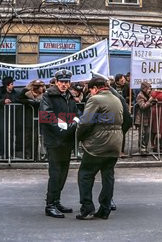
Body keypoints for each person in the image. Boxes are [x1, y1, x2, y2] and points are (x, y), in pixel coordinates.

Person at [76, 77, 123, 220]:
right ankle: (105, 208)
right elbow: (126, 118)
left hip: (98, 144)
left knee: (85, 175)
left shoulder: (95, 100)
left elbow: (85, 123)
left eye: (90, 91)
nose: (90, 94)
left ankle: (87, 208)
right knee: (108, 176)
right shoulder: (117, 99)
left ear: (95, 88)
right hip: (115, 144)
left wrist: (80, 137)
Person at [40, 69, 78, 218]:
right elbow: (47, 116)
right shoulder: (48, 96)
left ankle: (56, 201)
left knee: (63, 173)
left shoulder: (69, 96)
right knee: (55, 173)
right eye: (61, 81)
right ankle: (50, 205)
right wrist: (63, 128)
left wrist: (75, 121)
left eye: (67, 82)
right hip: (55, 140)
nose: (64, 84)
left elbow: (74, 113)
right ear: (56, 82)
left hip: (66, 140)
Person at [0, 77, 20, 158]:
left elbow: (18, 99)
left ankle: (10, 153)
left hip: (12, 115)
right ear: (7, 85)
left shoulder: (14, 92)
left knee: (11, 134)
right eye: (11, 84)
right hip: (1, 115)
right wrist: (3, 101)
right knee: (2, 134)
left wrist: (11, 100)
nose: (13, 86)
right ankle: (3, 153)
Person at [19, 80, 46, 160]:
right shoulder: (26, 92)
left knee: (37, 136)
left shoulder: (44, 94)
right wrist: (29, 101)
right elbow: (19, 99)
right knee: (28, 136)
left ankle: (36, 155)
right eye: (40, 87)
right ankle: (27, 154)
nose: (42, 88)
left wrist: (38, 103)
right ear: (36, 87)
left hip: (39, 117)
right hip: (28, 117)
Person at [135, 82, 155, 154]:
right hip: (141, 118)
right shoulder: (140, 95)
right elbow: (142, 106)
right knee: (142, 133)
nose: (150, 90)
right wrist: (150, 101)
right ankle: (141, 148)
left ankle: (145, 147)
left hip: (148, 117)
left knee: (147, 133)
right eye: (148, 88)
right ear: (144, 88)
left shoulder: (149, 95)